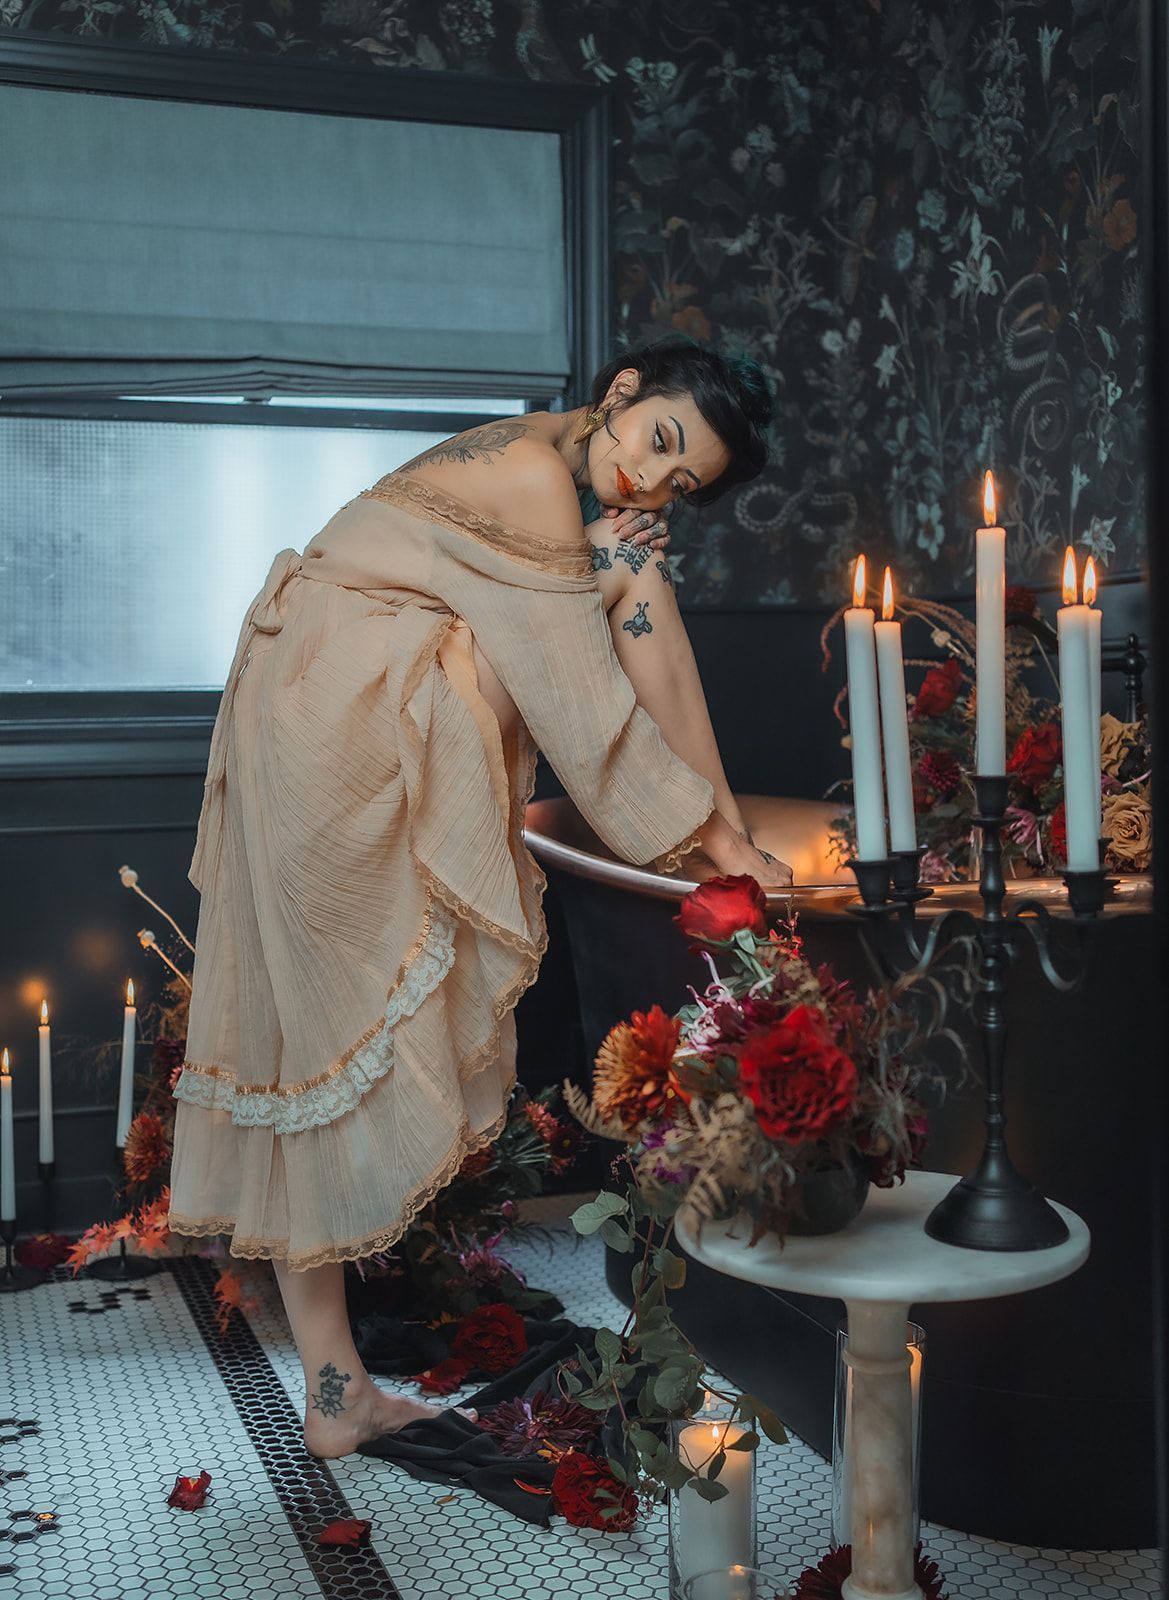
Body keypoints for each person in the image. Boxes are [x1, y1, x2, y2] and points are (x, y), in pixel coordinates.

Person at [164, 336, 792, 1459]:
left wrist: (716, 826)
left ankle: (332, 1391)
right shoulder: (534, 476)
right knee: (319, 1042)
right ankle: (718, 834)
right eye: (657, 443)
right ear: (620, 395)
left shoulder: (563, 470)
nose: (654, 482)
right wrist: (710, 838)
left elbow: (602, 656)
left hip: (320, 687)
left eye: (680, 481)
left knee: (314, 1047)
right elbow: (580, 706)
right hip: (337, 705)